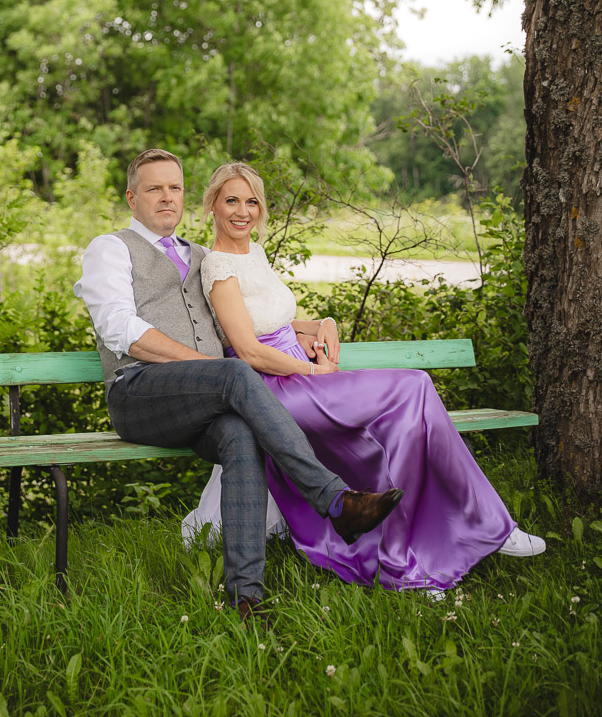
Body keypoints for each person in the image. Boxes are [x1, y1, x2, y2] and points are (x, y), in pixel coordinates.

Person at [184, 161, 546, 594]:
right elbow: (248, 350)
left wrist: (323, 323)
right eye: (231, 201)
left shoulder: (254, 254)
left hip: (296, 373)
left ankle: (409, 557)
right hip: (272, 389)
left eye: (252, 202)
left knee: (405, 424)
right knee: (415, 385)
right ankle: (488, 525)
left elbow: (274, 321)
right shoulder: (218, 267)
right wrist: (314, 369)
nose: (242, 211)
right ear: (212, 205)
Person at [74, 148, 403, 618]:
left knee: (241, 436)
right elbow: (119, 328)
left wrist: (312, 327)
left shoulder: (202, 257)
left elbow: (246, 322)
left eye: (175, 187)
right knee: (233, 372)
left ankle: (245, 596)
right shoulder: (110, 248)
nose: (167, 197)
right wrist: (207, 367)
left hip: (201, 399)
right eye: (154, 189)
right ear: (132, 198)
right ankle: (334, 499)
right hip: (138, 392)